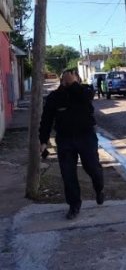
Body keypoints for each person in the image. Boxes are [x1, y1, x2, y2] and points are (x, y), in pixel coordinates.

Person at [39, 69, 104, 220]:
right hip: (65, 139)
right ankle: (74, 205)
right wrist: (43, 141)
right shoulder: (54, 97)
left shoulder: (85, 91)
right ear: (62, 81)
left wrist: (73, 84)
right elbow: (46, 120)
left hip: (86, 137)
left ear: (78, 81)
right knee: (68, 174)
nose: (69, 81)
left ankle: (99, 188)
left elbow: (86, 95)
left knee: (93, 168)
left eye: (73, 80)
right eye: (66, 79)